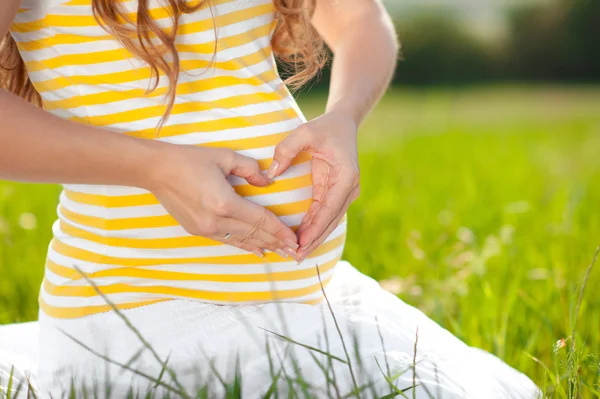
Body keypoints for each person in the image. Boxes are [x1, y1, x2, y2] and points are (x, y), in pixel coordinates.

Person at [0, 0, 541, 397]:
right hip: (140, 317)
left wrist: (344, 116)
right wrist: (156, 168)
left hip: (309, 300)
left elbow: (360, 21)